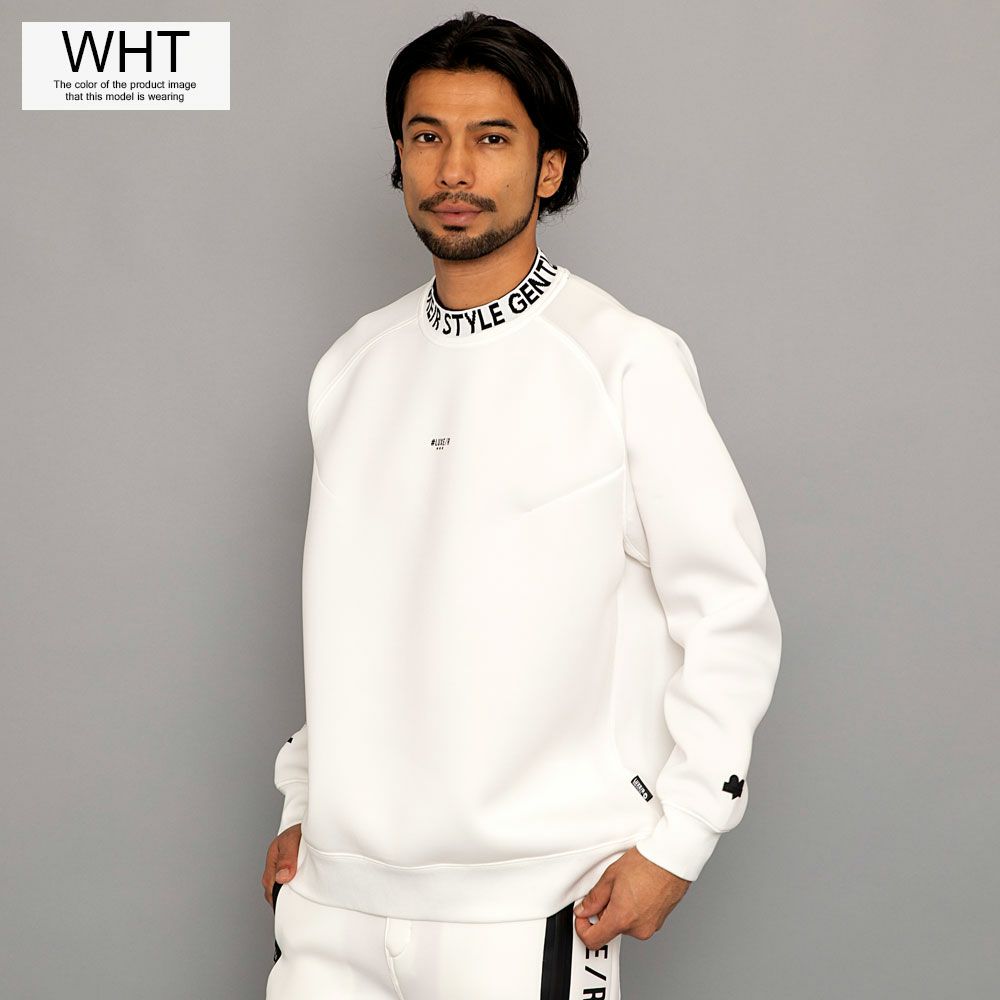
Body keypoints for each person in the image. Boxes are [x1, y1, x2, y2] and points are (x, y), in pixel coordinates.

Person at [261, 11, 782, 998]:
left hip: (534, 903)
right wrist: (305, 802)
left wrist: (680, 837)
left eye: (491, 138)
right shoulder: (352, 367)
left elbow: (729, 617)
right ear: (400, 158)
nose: (454, 168)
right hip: (332, 903)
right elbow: (357, 618)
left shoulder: (622, 359)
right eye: (427, 136)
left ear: (549, 167)